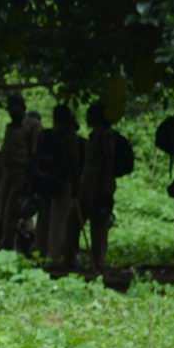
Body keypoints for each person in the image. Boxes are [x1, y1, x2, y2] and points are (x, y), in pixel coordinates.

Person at [31, 105, 83, 268]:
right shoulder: (70, 138)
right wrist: (76, 185)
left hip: (45, 183)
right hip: (62, 183)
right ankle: (53, 257)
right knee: (58, 221)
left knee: (43, 220)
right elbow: (74, 163)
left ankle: (40, 253)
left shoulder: (45, 136)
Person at [80, 103, 121, 273]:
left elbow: (108, 162)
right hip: (88, 184)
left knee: (99, 224)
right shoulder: (94, 136)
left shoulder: (106, 136)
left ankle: (99, 260)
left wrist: (104, 186)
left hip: (101, 185)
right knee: (80, 220)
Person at [0, 94, 37, 252]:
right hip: (7, 173)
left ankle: (9, 245)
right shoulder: (10, 127)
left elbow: (34, 152)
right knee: (3, 208)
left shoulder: (31, 127)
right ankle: (9, 242)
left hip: (21, 173)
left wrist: (30, 177)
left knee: (13, 210)